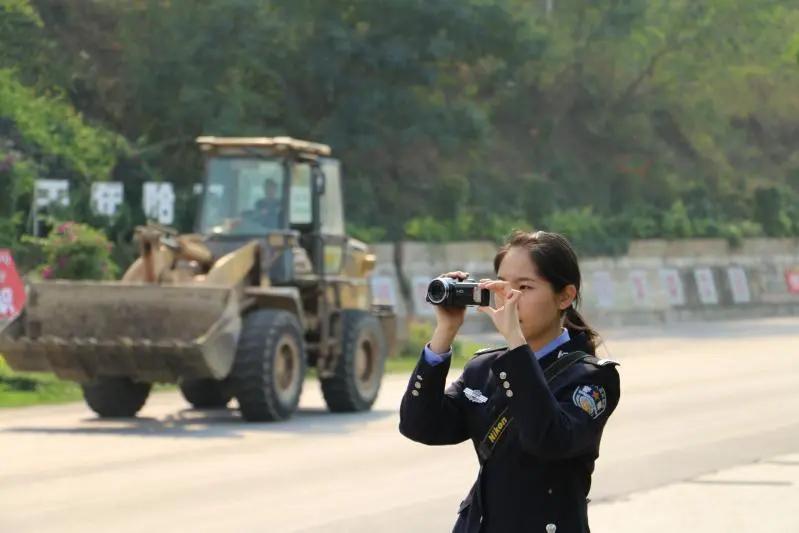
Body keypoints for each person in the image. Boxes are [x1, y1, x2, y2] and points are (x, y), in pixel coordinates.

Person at [399, 230, 620, 533]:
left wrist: (515, 340)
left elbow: (548, 440)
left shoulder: (592, 378)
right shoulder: (485, 367)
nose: (510, 299)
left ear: (565, 296)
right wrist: (445, 332)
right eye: (503, 286)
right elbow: (420, 425)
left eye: (525, 287)